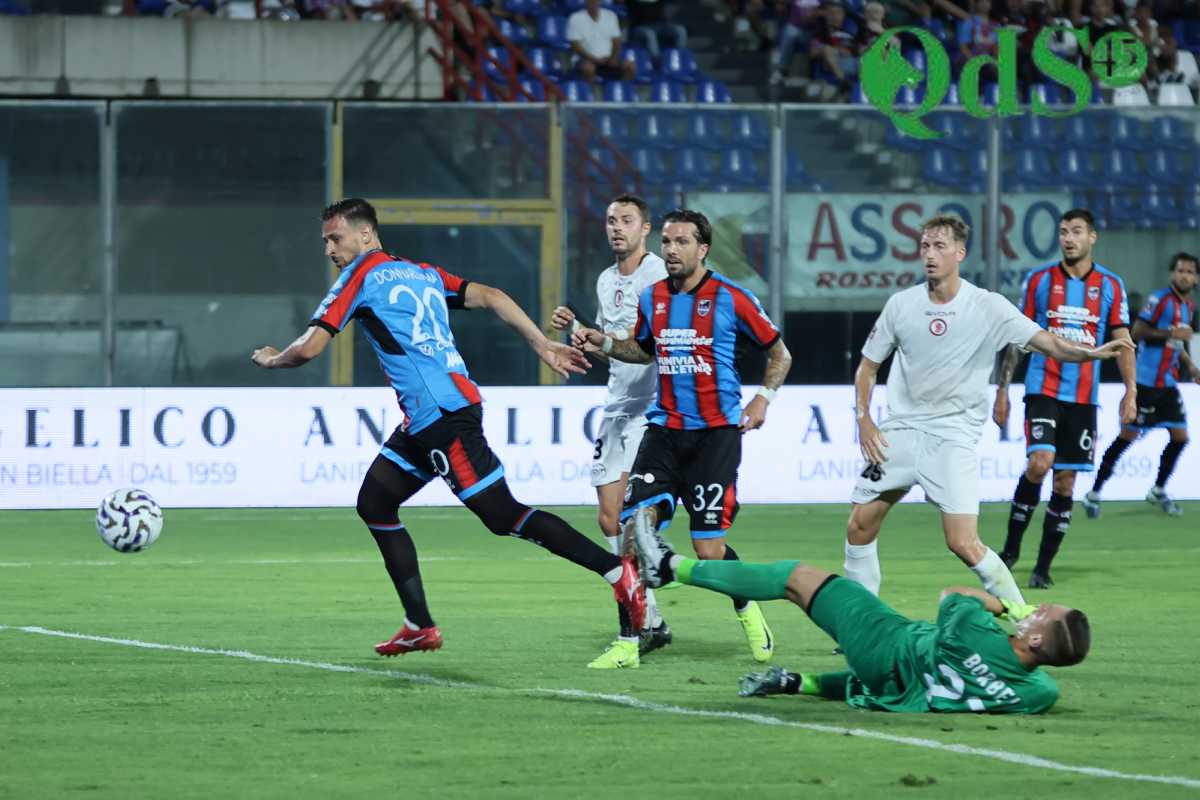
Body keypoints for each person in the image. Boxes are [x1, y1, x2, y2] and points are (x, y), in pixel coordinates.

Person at [250, 198, 646, 657]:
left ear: (365, 235)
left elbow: (308, 348)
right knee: (375, 502)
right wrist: (542, 345)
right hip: (427, 420)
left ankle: (618, 572)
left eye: (334, 239)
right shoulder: (421, 272)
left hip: (443, 418)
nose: (329, 249)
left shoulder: (358, 277)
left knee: (503, 516)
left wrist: (272, 358)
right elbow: (493, 296)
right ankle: (418, 623)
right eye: (324, 241)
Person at [849, 214, 1132, 607]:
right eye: (925, 246)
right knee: (860, 525)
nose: (929, 255)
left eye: (940, 246)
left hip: (952, 437)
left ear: (960, 253)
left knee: (962, 542)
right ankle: (862, 622)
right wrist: (863, 418)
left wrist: (1088, 354)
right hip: (899, 431)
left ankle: (1022, 614)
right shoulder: (901, 305)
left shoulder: (987, 306)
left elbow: (1047, 342)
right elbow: (868, 366)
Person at [574, 208, 793, 668]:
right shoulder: (654, 297)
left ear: (703, 248)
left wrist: (763, 399)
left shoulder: (733, 298)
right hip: (664, 432)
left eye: (681, 242)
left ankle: (744, 603)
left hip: (715, 437)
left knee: (708, 550)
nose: (671, 250)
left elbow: (778, 352)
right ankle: (630, 640)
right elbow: (643, 349)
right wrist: (604, 343)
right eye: (668, 243)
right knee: (631, 531)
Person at [626, 521, 1087, 714]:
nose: (1036, 610)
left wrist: (1006, 606)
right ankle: (793, 683)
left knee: (796, 578)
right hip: (895, 682)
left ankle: (668, 568)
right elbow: (1039, 682)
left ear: (1034, 643)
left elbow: (955, 594)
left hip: (888, 641)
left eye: (1040, 615)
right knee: (885, 674)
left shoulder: (978, 632)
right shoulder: (1037, 693)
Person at [550, 195, 674, 667]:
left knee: (629, 521)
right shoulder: (606, 279)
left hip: (654, 408)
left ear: (645, 228)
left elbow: (647, 348)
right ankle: (655, 621)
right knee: (608, 518)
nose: (615, 228)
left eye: (626, 220)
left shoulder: (659, 276)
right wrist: (582, 333)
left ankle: (641, 621)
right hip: (617, 406)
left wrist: (601, 338)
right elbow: (612, 346)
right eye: (609, 220)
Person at [993, 209, 1136, 589]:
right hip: (1043, 387)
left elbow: (1123, 343)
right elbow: (1018, 336)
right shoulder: (1039, 280)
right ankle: (1009, 552)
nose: (1068, 238)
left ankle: (1043, 567)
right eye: (1062, 232)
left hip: (1084, 397)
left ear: (1092, 237)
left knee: (1065, 483)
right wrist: (1003, 390)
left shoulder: (1110, 285)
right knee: (1041, 463)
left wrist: (1130, 391)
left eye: (1076, 232)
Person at [1084, 252, 1198, 517]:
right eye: (1180, 270)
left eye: (1190, 272)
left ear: (1195, 278)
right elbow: (1136, 332)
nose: (1184, 275)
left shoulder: (1188, 306)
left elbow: (1176, 343)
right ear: (1172, 273)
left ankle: (1158, 489)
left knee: (1180, 438)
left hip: (1167, 385)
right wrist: (1171, 333)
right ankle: (1094, 493)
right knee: (1127, 437)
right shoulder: (1160, 300)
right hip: (1145, 382)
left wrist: (1190, 366)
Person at [567, 0, 637, 84]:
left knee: (630, 66)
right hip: (586, 59)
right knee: (588, 68)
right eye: (591, 1)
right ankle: (589, 94)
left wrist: (613, 57)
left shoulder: (610, 15)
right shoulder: (576, 18)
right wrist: (594, 59)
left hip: (609, 59)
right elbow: (575, 45)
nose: (593, 3)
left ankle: (624, 90)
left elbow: (617, 41)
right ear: (586, 2)